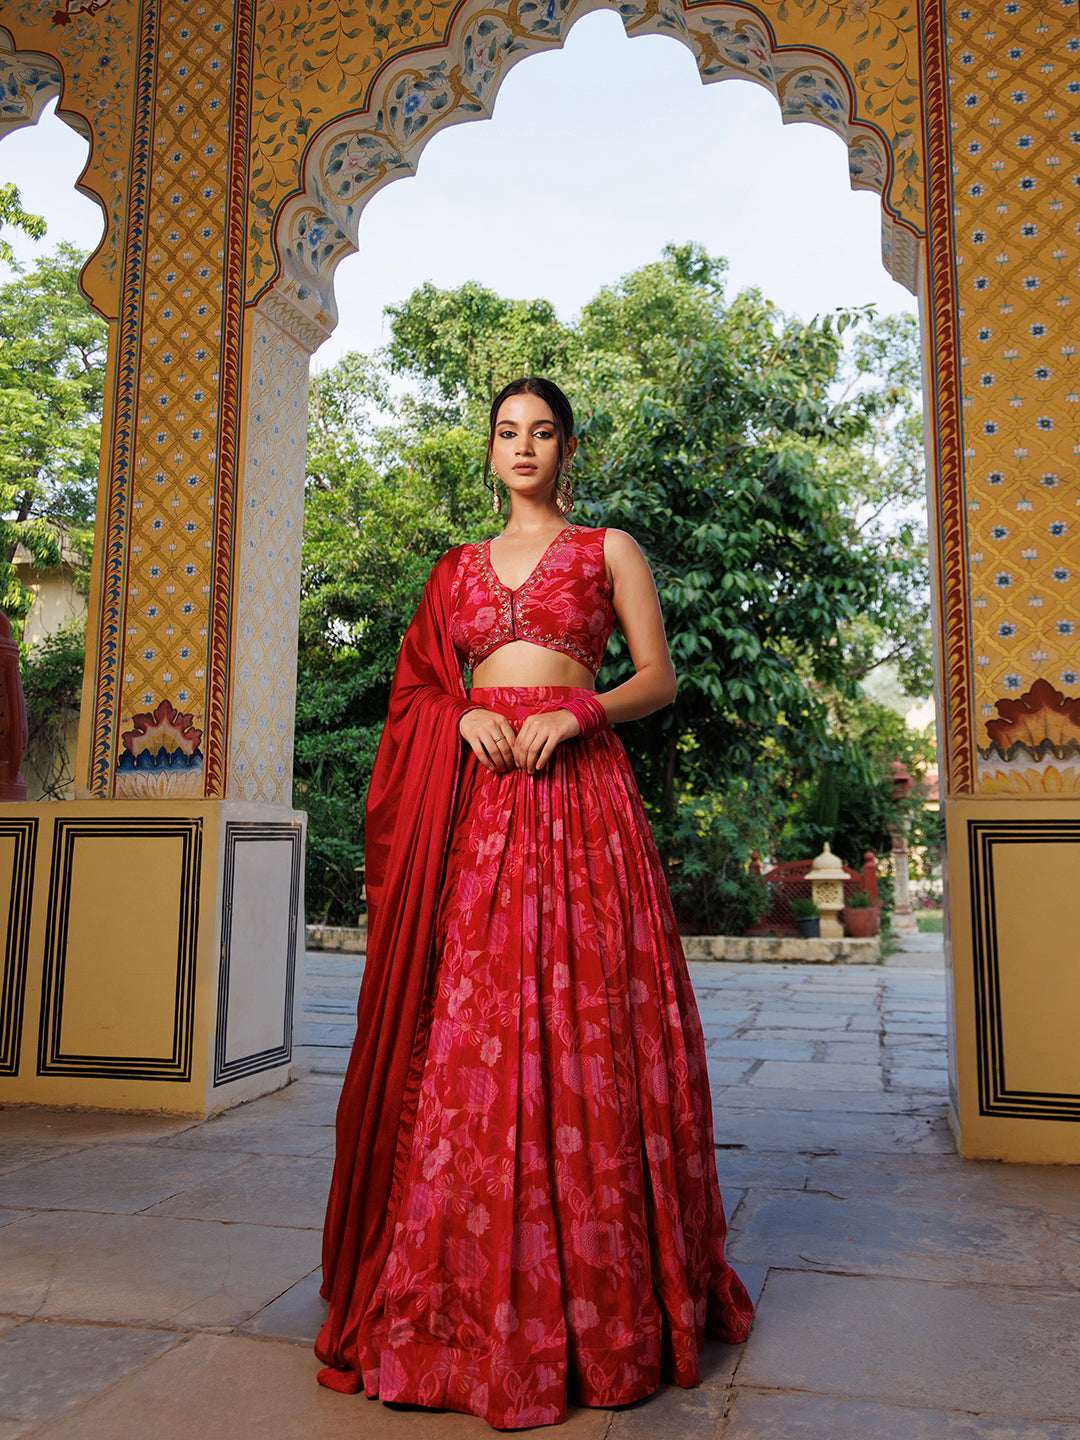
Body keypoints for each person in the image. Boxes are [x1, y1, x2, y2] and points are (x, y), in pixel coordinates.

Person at [315, 377, 753, 1430]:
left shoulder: (610, 549)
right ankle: (455, 1309)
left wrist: (582, 713)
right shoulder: (453, 569)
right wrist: (459, 712)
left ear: (567, 448)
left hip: (581, 803)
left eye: (542, 432)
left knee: (592, 1033)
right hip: (478, 812)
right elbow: (416, 689)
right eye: (508, 432)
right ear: (489, 450)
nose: (524, 447)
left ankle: (600, 1305)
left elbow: (660, 677)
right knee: (469, 1039)